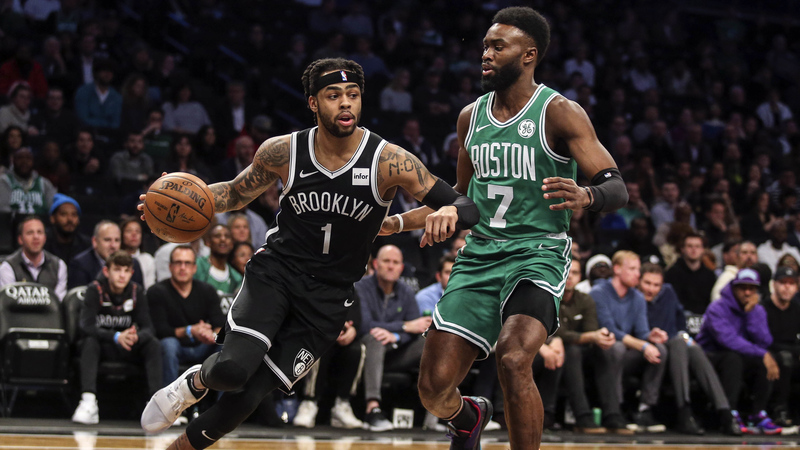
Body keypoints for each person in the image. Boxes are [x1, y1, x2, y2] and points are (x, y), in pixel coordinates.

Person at [137, 58, 478, 450]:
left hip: (330, 297)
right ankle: (194, 382)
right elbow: (232, 193)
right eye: (334, 96)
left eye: (353, 95)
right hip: (276, 274)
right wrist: (178, 198)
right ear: (313, 103)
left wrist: (446, 210)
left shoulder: (390, 160)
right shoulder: (283, 151)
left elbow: (466, 206)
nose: (346, 104)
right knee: (231, 371)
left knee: (248, 397)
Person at [385, 8, 628, 449]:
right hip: (480, 255)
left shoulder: (559, 112)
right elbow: (459, 196)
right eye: (484, 46)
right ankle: (469, 415)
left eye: (499, 47)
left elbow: (616, 186)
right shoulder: (469, 118)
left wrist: (588, 196)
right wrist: (395, 222)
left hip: (538, 253)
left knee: (514, 358)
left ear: (529, 55)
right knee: (433, 388)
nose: (486, 54)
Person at [638, 263, 740, 435]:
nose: (651, 289)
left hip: (672, 342)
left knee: (694, 349)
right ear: (639, 282)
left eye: (656, 285)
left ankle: (724, 413)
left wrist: (686, 337)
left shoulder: (668, 292)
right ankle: (684, 411)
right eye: (647, 283)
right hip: (648, 345)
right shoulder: (635, 298)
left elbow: (680, 319)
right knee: (679, 343)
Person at [72, 250, 161, 425]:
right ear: (106, 271)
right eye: (117, 270)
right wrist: (116, 336)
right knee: (89, 341)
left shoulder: (137, 291)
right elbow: (86, 326)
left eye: (126, 271)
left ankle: (155, 406)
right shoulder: (95, 289)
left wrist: (136, 337)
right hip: (105, 347)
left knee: (153, 344)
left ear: (132, 273)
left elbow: (148, 328)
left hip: (127, 347)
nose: (122, 275)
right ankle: (88, 402)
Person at [696, 268, 782, 434]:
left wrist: (751, 315)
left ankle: (757, 414)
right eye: (743, 288)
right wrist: (762, 353)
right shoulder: (718, 308)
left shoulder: (757, 310)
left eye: (751, 288)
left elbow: (765, 341)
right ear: (734, 287)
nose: (747, 292)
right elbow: (728, 340)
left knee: (768, 360)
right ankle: (730, 414)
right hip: (709, 356)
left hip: (740, 355)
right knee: (734, 358)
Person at [355, 245, 430, 431]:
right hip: (365, 350)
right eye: (386, 261)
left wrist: (396, 335)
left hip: (396, 352)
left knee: (430, 343)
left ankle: (435, 412)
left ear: (401, 268)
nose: (391, 266)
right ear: (375, 264)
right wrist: (403, 326)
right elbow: (364, 325)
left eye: (395, 262)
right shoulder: (360, 287)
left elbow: (417, 327)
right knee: (376, 338)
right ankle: (372, 409)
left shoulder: (406, 292)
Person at [592, 251, 667, 433]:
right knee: (616, 347)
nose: (637, 274)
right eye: (632, 269)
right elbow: (610, 330)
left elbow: (641, 332)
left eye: (638, 269)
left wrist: (650, 337)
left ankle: (644, 409)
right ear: (617, 269)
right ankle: (615, 408)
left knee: (660, 350)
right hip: (601, 351)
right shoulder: (599, 292)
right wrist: (643, 345)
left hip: (626, 352)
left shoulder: (638, 297)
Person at [147, 246, 224, 404]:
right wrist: (190, 330)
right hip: (175, 347)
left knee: (226, 345)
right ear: (170, 267)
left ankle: (223, 408)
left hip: (203, 346)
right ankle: (168, 404)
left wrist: (211, 336)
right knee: (168, 344)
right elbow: (159, 330)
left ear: (195, 268)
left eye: (187, 263)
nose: (183, 268)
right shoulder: (157, 291)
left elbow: (220, 325)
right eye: (178, 263)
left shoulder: (207, 291)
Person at [553, 258, 620, 434]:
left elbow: (592, 329)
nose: (570, 277)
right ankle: (582, 416)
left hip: (580, 349)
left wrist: (600, 338)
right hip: (556, 348)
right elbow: (557, 333)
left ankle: (613, 414)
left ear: (580, 276)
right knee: (573, 351)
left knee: (602, 351)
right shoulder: (550, 297)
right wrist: (590, 336)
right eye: (567, 271)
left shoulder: (585, 299)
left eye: (575, 273)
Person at [292, 291, 365, 430]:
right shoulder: (315, 287)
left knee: (359, 349)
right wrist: (332, 328)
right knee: (318, 346)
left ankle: (342, 404)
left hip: (341, 340)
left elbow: (357, 320)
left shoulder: (351, 292)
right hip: (316, 335)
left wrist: (353, 330)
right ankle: (309, 402)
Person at [763, 266, 800, 427]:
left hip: (792, 351)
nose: (787, 287)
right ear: (774, 285)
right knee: (785, 358)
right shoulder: (763, 307)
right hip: (768, 353)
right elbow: (764, 340)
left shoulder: (797, 309)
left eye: (791, 283)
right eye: (783, 282)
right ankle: (779, 408)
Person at [0, 216, 67, 301]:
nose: (36, 237)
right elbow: (8, 304)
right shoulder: (8, 267)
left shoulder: (59, 266)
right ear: (20, 239)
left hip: (49, 314)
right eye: (30, 233)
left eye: (39, 232)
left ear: (45, 238)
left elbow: (58, 304)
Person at [69, 220, 144, 289]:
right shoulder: (80, 264)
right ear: (95, 241)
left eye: (117, 240)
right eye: (107, 240)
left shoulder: (133, 263)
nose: (113, 246)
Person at [664, 232, 717, 314]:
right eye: (690, 246)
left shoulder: (710, 275)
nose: (694, 249)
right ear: (683, 249)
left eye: (697, 246)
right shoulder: (672, 273)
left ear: (703, 249)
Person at [0, 147, 56, 215]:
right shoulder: (4, 181)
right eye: (20, 158)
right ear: (13, 161)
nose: (24, 162)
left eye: (28, 158)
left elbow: (53, 209)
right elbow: (3, 211)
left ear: (33, 162)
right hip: (12, 224)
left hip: (41, 223)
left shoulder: (44, 183)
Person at [194, 224, 242, 295]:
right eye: (217, 236)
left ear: (232, 244)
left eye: (227, 236)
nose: (223, 239)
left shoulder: (236, 278)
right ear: (208, 242)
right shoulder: (197, 266)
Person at [44, 194, 91, 265]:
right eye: (63, 214)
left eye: (74, 215)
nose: (70, 219)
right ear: (52, 218)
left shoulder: (87, 246)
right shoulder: (42, 243)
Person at [120, 218, 156, 289]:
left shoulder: (148, 259)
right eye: (129, 231)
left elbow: (149, 288)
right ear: (121, 235)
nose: (134, 234)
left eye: (138, 231)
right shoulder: (114, 258)